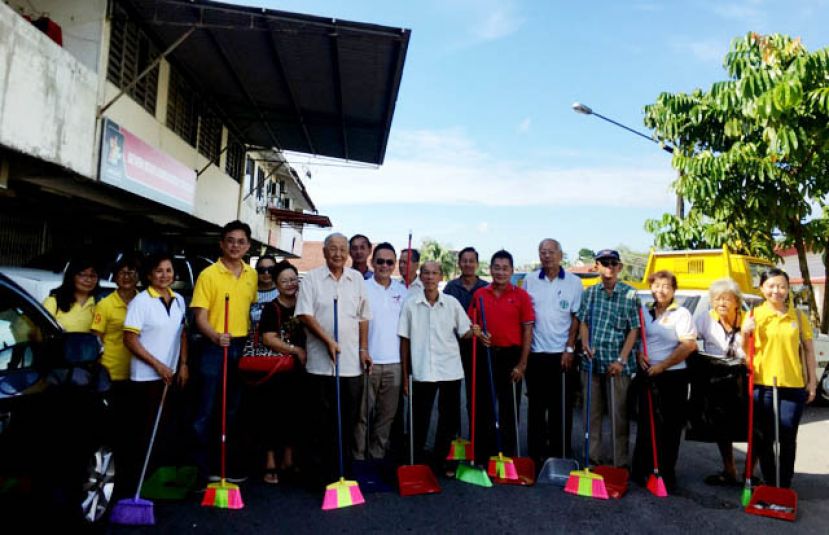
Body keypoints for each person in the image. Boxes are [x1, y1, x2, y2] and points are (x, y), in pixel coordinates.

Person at [296, 233, 371, 487]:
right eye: (333, 249)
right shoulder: (312, 279)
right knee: (320, 422)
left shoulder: (357, 279)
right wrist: (327, 340)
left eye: (342, 249)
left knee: (347, 421)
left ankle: (345, 474)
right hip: (320, 364)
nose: (338, 254)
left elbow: (363, 317)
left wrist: (362, 349)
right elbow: (304, 314)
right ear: (324, 252)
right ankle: (322, 476)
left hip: (350, 365)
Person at [190, 220, 258, 483]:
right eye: (230, 240)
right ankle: (201, 470)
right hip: (214, 347)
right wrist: (216, 337)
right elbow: (200, 316)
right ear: (221, 243)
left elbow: (250, 308)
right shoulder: (209, 274)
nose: (235, 246)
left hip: (240, 346)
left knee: (232, 410)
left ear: (248, 246)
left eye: (241, 242)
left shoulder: (251, 275)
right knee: (206, 409)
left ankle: (225, 465)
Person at [742, 268, 817, 489]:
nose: (777, 291)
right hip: (762, 385)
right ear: (762, 288)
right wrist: (744, 333)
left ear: (788, 289)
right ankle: (768, 480)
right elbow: (745, 354)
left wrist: (811, 383)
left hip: (793, 385)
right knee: (764, 438)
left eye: (782, 286)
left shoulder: (799, 317)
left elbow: (809, 351)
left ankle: (784, 484)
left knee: (787, 436)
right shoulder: (754, 315)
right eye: (772, 286)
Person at [122, 253, 188, 494]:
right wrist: (157, 365)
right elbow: (130, 339)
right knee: (142, 432)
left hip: (170, 376)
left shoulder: (179, 300)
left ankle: (155, 479)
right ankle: (134, 483)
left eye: (168, 270)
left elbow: (182, 333)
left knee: (164, 430)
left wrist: (183, 364)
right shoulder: (141, 302)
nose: (164, 275)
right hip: (145, 377)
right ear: (149, 275)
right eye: (159, 271)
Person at [632, 270, 697, 491]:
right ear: (651, 287)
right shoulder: (645, 310)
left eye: (666, 286)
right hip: (647, 373)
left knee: (669, 427)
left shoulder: (681, 313)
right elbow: (639, 337)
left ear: (673, 290)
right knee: (646, 424)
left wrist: (663, 365)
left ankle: (666, 473)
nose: (661, 290)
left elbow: (689, 345)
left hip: (672, 376)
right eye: (657, 285)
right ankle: (642, 470)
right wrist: (639, 353)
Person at [522, 239, 583, 466]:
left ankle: (560, 451)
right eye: (542, 252)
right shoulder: (529, 280)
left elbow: (576, 317)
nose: (546, 256)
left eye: (550, 252)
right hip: (537, 352)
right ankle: (535, 452)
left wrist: (569, 348)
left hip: (562, 354)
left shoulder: (574, 282)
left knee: (561, 405)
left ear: (560, 255)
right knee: (536, 405)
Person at [469, 250, 534, 462]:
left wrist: (522, 364)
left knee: (509, 407)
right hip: (486, 354)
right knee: (484, 406)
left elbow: (527, 330)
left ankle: (507, 454)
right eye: (496, 267)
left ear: (512, 271)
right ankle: (483, 454)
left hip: (511, 356)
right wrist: (479, 334)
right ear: (490, 270)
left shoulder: (521, 296)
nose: (500, 272)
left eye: (505, 268)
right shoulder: (480, 294)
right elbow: (472, 325)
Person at [577, 249, 639, 468]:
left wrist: (621, 360)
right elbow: (583, 321)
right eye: (604, 263)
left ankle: (618, 464)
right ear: (597, 266)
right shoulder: (590, 293)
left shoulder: (630, 294)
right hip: (591, 363)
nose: (609, 267)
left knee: (618, 417)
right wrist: (584, 343)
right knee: (591, 416)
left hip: (617, 366)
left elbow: (634, 330)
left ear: (619, 267)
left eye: (613, 263)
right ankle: (592, 460)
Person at [91, 254, 141, 497]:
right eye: (122, 272)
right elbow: (96, 340)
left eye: (132, 272)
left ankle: (131, 479)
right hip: (111, 375)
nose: (127, 277)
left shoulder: (144, 301)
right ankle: (111, 476)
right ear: (115, 277)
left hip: (139, 374)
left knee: (134, 431)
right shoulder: (105, 304)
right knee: (113, 431)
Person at [355, 243, 407, 462]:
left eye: (389, 262)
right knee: (361, 416)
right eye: (380, 261)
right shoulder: (362, 287)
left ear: (394, 265)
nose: (384, 266)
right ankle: (358, 459)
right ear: (372, 262)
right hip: (367, 361)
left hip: (394, 364)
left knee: (386, 417)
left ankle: (376, 460)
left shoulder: (402, 292)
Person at [257, 262, 307, 485]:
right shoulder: (272, 307)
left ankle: (288, 459)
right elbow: (268, 338)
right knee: (271, 415)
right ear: (276, 284)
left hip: (300, 370)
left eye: (293, 279)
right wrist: (295, 350)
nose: (290, 284)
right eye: (285, 281)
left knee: (295, 414)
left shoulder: (304, 305)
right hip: (277, 370)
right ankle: (270, 462)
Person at [694, 278, 746, 486]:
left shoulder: (748, 319)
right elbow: (688, 337)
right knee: (722, 427)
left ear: (736, 301)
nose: (721, 303)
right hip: (718, 378)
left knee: (753, 426)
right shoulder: (705, 318)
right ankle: (729, 468)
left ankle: (750, 472)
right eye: (717, 299)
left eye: (727, 298)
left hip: (745, 377)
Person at [43, 257, 99, 332]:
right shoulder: (53, 302)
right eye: (82, 275)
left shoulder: (99, 303)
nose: (88, 280)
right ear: (71, 276)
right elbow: (41, 333)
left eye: (92, 276)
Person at [250, 255, 279, 328]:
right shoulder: (249, 291)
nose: (266, 273)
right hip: (252, 337)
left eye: (270, 269)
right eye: (262, 270)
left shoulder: (282, 292)